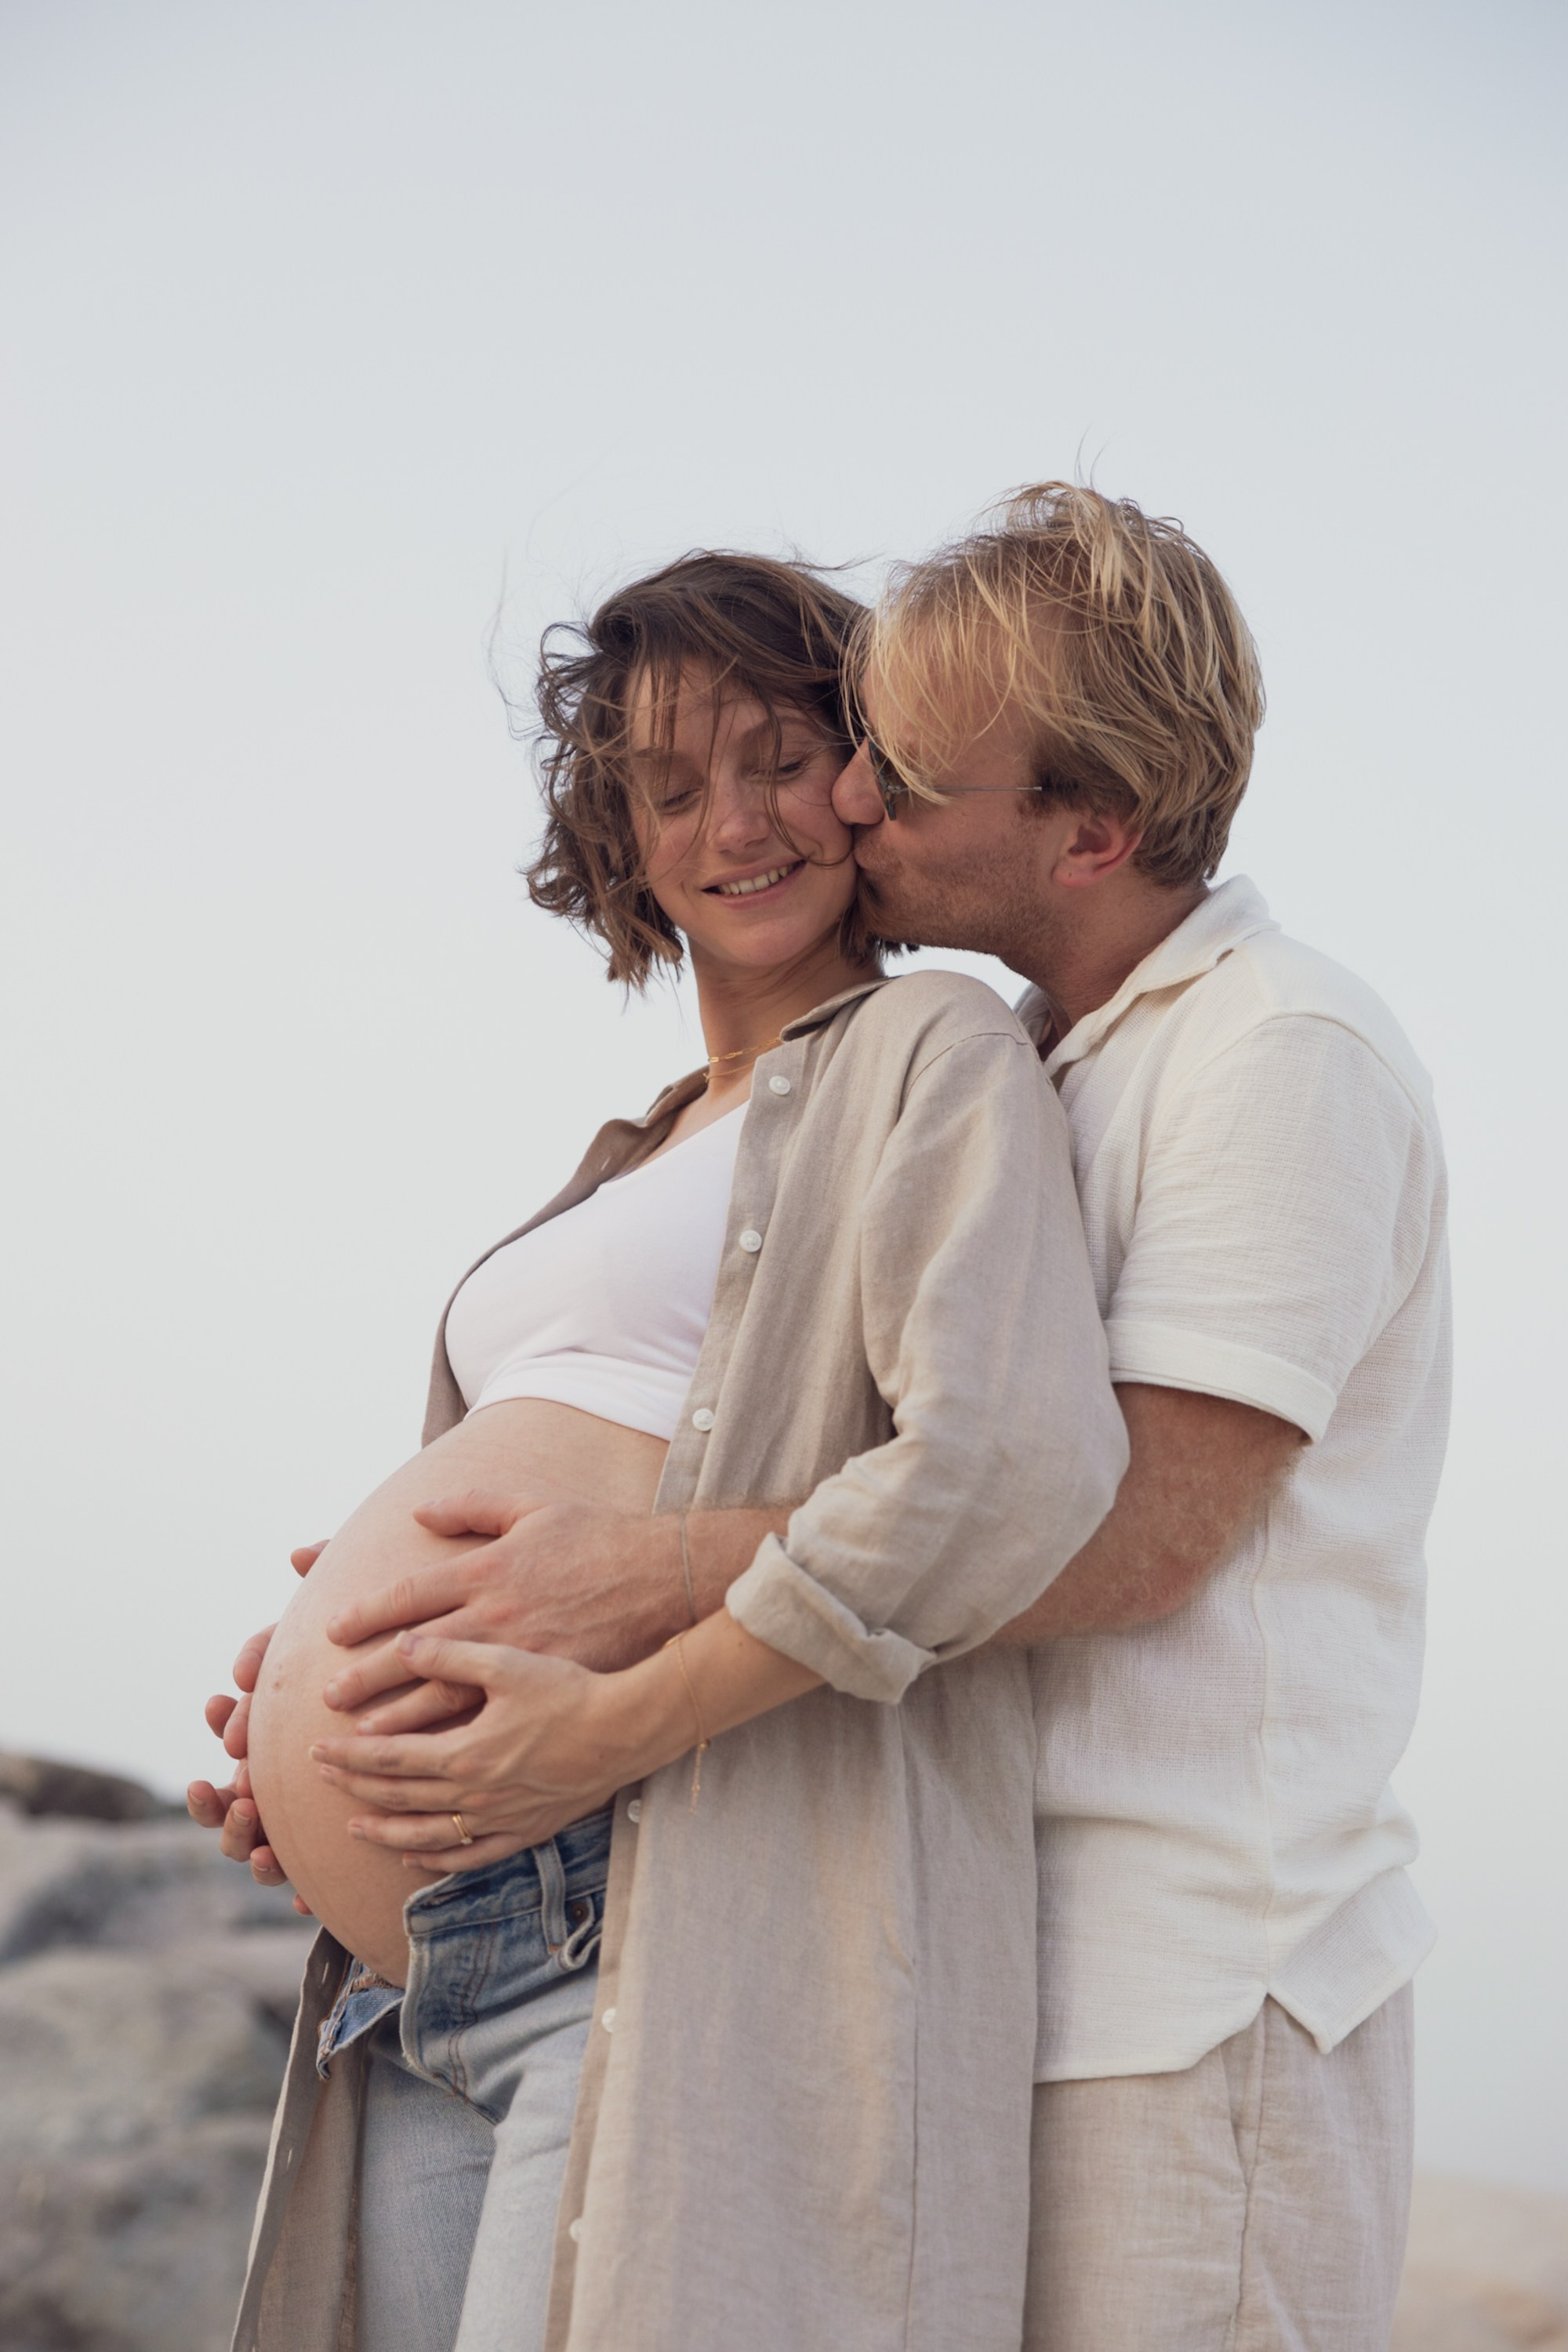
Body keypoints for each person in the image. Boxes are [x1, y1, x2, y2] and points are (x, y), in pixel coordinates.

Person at [241, 483, 1447, 2352]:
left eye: (830, 762)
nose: (831, 809)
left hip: (1180, 1976)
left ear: (1084, 828)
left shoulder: (1166, 1051)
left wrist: (608, 1617)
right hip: (467, 1951)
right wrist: (344, 1674)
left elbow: (1092, 1515)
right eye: (667, 787)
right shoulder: (914, 1088)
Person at [194, 549, 1127, 2352]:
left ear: (870, 775)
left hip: (639, 1935)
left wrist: (589, 1704)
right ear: (617, 837)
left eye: (780, 758)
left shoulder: (923, 1055)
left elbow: (1007, 1465)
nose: (739, 822)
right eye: (672, 787)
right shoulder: (625, 1150)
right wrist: (310, 1733)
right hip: (418, 1986)